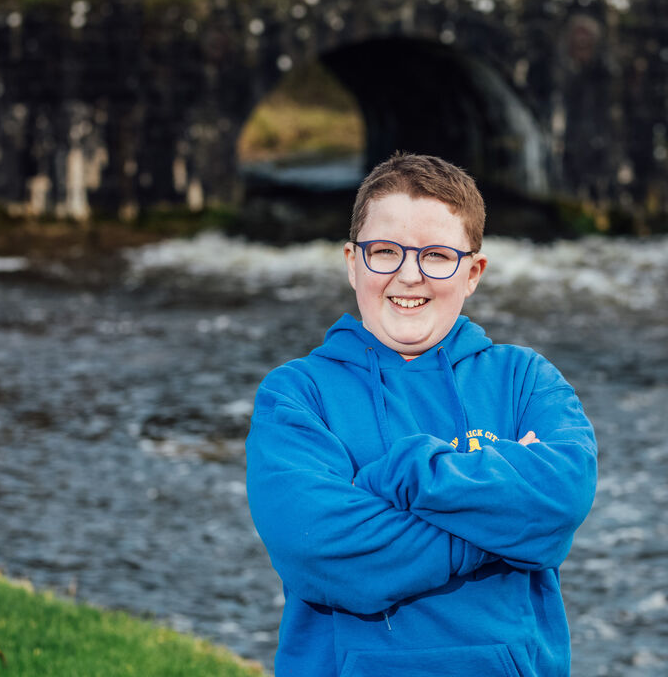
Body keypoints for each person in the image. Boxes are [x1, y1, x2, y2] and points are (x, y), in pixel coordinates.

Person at [246, 152, 598, 676]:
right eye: (385, 251)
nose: (409, 276)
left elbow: (563, 494)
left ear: (473, 272)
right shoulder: (296, 395)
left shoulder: (525, 379)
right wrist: (499, 530)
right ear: (352, 262)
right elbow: (316, 549)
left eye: (436, 256)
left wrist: (406, 472)